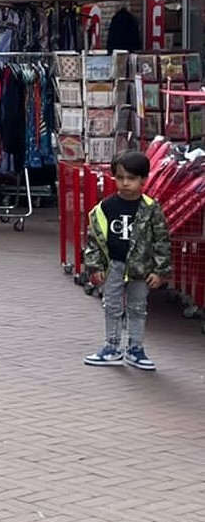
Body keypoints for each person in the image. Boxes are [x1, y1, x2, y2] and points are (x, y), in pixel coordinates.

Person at [82, 150, 173, 372]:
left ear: (143, 179)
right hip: (113, 265)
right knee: (111, 306)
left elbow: (162, 240)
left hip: (141, 269)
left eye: (131, 178)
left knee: (138, 307)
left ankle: (135, 349)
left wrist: (160, 271)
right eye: (120, 177)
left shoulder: (151, 209)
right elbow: (94, 239)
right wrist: (95, 267)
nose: (125, 183)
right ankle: (111, 347)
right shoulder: (105, 208)